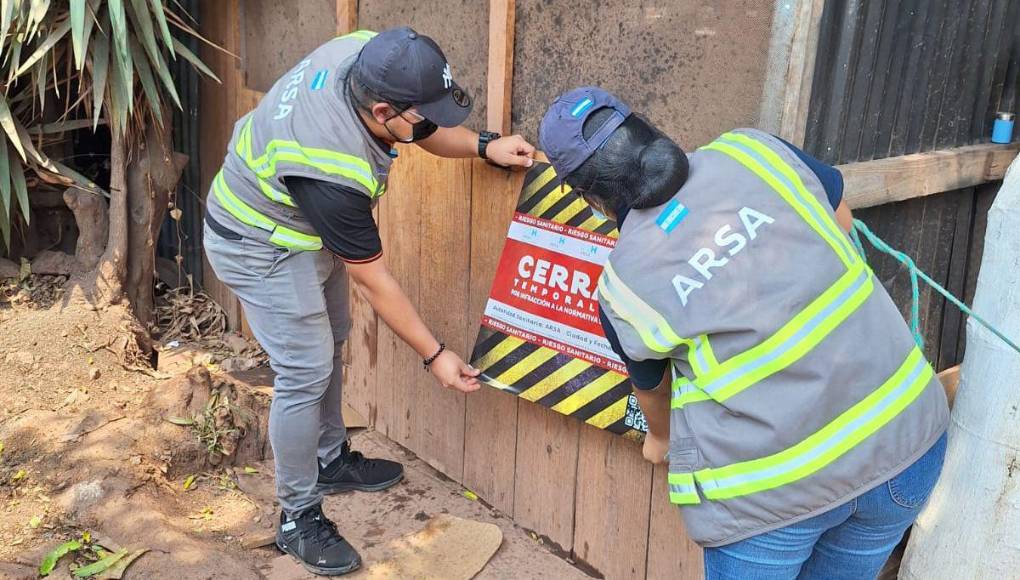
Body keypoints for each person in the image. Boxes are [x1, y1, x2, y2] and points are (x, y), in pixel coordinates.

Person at [539, 87, 950, 580]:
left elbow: (654, 393)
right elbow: (840, 223)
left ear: (589, 197)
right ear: (644, 126)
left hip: (775, 497)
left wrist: (660, 440)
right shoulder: (755, 150)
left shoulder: (624, 287)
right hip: (906, 446)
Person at [203, 27, 535, 576]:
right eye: (417, 113)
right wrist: (435, 355)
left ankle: (330, 459)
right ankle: (297, 516)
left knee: (331, 338)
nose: (428, 121)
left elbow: (418, 127)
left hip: (299, 226)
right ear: (380, 109)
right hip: (256, 242)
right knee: (304, 370)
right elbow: (375, 281)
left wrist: (483, 144)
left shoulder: (368, 54)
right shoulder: (331, 167)